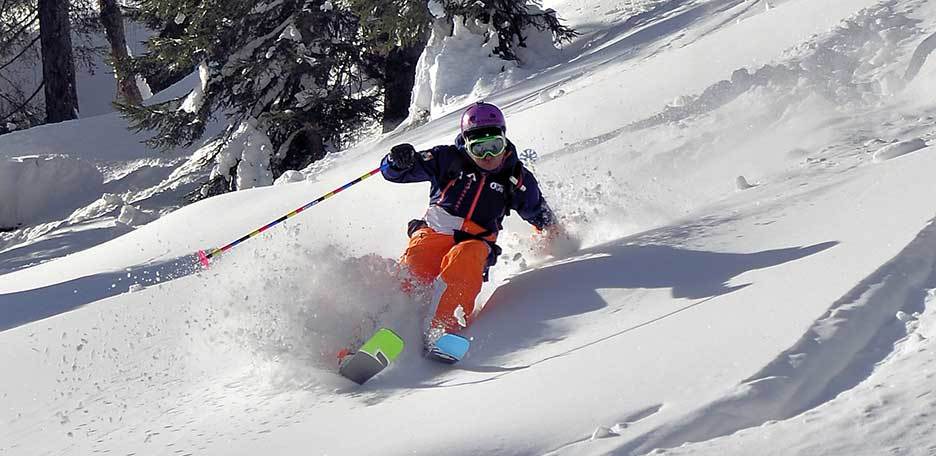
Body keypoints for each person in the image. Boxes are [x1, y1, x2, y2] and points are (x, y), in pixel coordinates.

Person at [381, 101, 561, 340]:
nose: (488, 156)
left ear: (504, 140)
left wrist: (555, 235)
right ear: (466, 144)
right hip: (435, 232)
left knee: (465, 259)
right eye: (479, 148)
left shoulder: (516, 178)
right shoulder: (446, 159)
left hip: (477, 241)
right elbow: (396, 173)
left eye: (495, 147)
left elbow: (537, 211)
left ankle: (443, 328)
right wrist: (396, 162)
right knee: (416, 265)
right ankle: (380, 326)